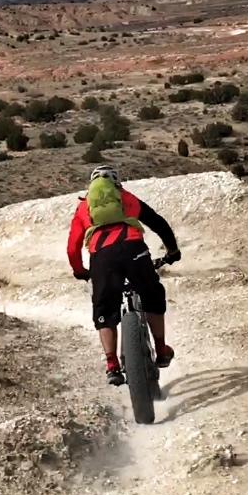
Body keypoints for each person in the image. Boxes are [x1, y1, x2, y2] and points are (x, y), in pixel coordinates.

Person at [67, 165, 180, 386]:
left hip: (102, 258)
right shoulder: (126, 198)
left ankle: (112, 364)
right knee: (152, 295)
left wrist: (80, 271)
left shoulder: (84, 207)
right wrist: (172, 251)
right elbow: (158, 223)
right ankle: (161, 349)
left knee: (104, 308)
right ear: (117, 183)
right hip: (133, 250)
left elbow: (72, 248)